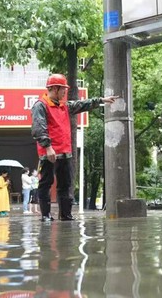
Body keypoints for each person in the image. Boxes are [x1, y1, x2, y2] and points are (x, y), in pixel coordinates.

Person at [31, 73, 118, 222]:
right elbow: (38, 128)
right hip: (49, 153)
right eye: (63, 89)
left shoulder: (64, 105)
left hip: (65, 152)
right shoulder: (41, 105)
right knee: (46, 183)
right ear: (54, 88)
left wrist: (101, 100)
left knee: (66, 184)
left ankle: (66, 215)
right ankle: (45, 215)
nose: (65, 92)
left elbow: (82, 104)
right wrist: (48, 147)